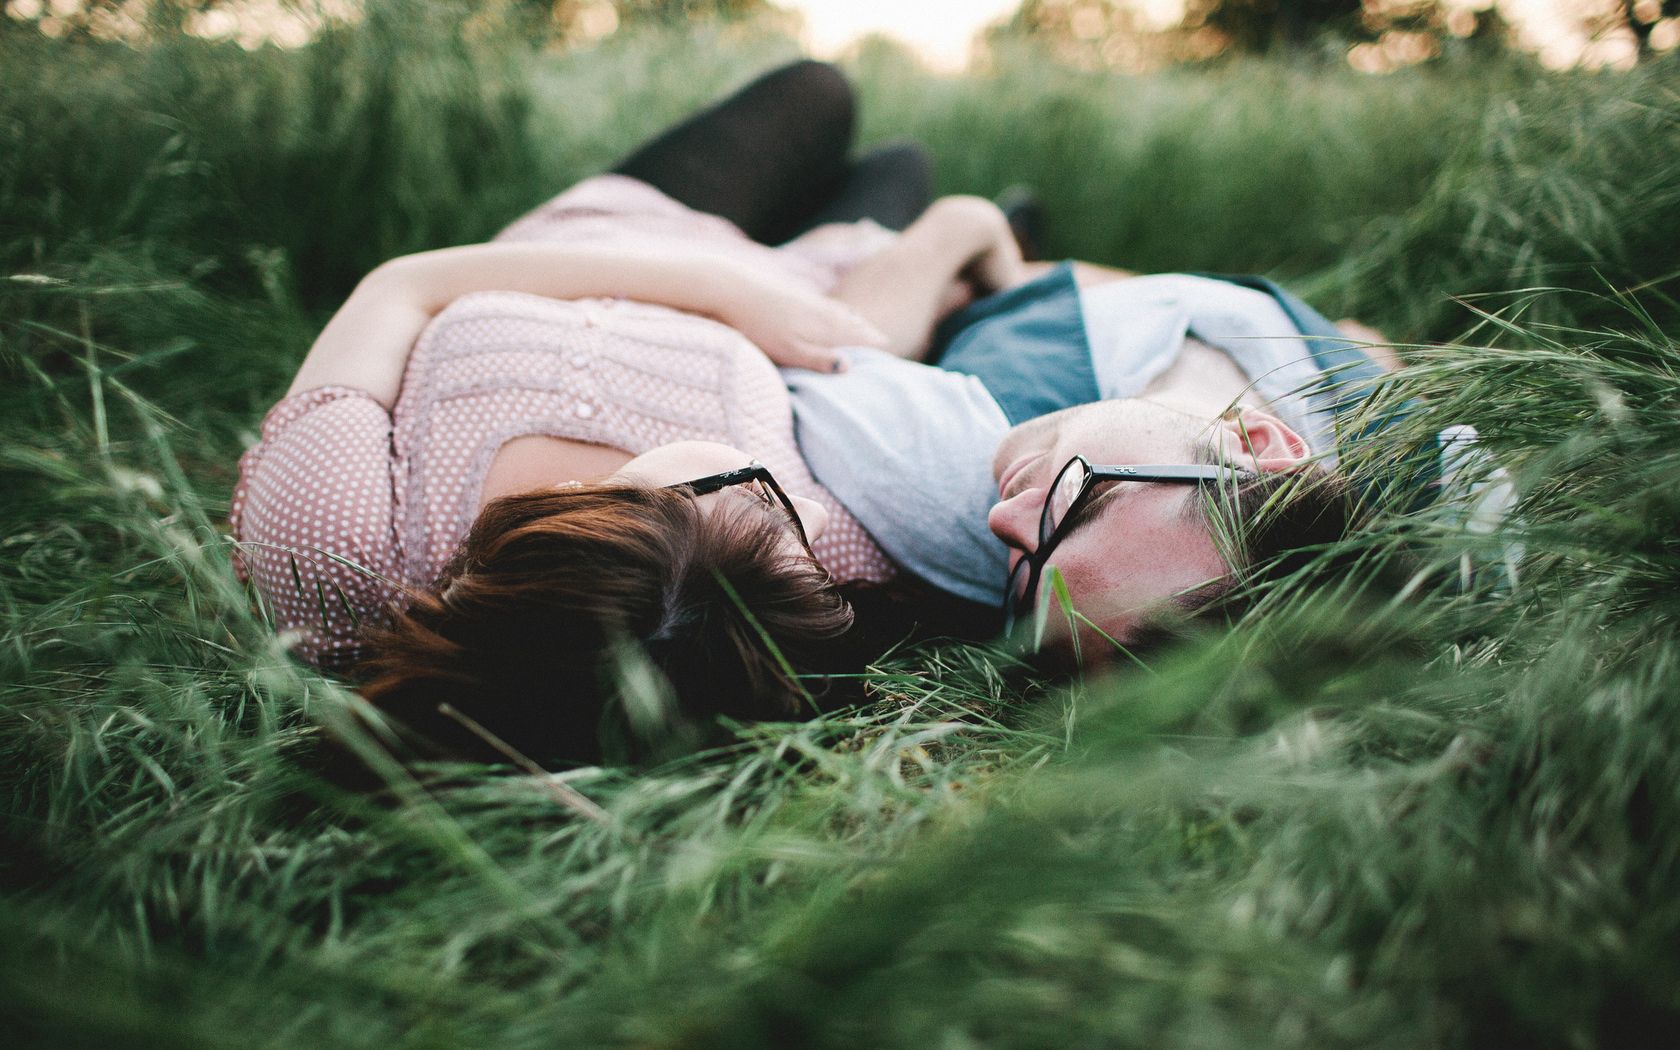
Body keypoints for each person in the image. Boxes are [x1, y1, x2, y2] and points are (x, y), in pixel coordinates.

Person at [232, 60, 1395, 764]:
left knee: (827, 100)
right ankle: (998, 234)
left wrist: (732, 288)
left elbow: (405, 287)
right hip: (805, 285)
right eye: (775, 498)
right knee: (899, 163)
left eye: (747, 489)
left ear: (621, 520)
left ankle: (988, 232)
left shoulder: (334, 548)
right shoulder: (799, 570)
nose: (775, 486)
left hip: (587, 251)